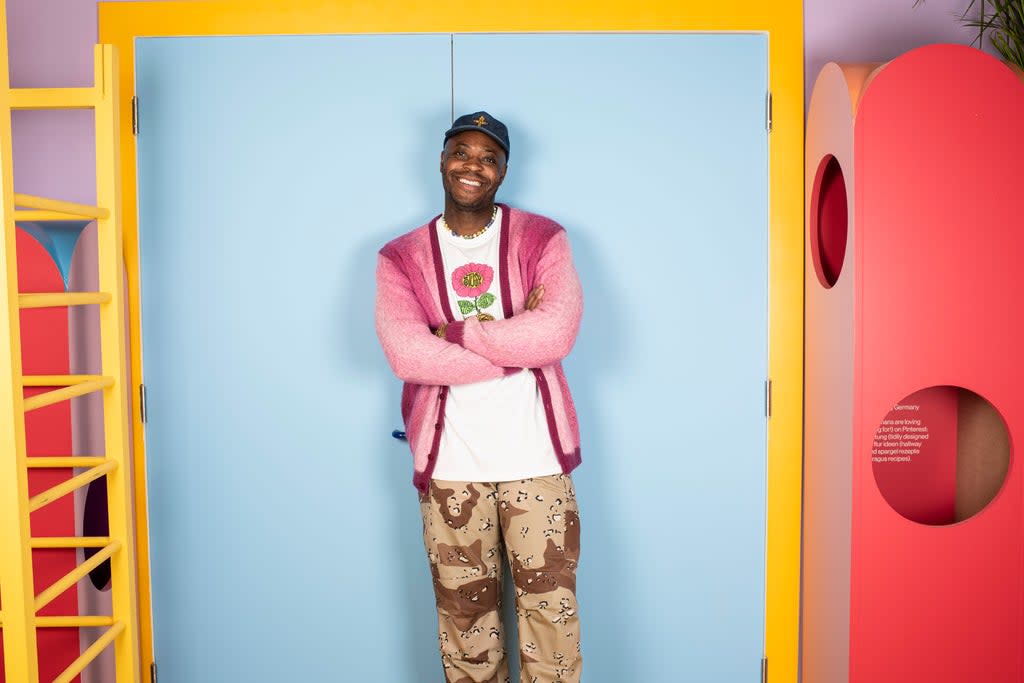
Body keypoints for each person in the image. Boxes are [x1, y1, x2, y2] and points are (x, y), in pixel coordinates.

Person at [374, 111, 584, 682]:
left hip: (536, 461)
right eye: (462, 152)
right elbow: (408, 355)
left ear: (504, 170)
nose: (474, 165)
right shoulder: (401, 256)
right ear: (443, 160)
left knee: (552, 627)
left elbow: (556, 333)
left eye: (488, 157)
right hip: (450, 468)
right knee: (464, 627)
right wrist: (516, 342)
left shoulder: (543, 238)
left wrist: (458, 333)